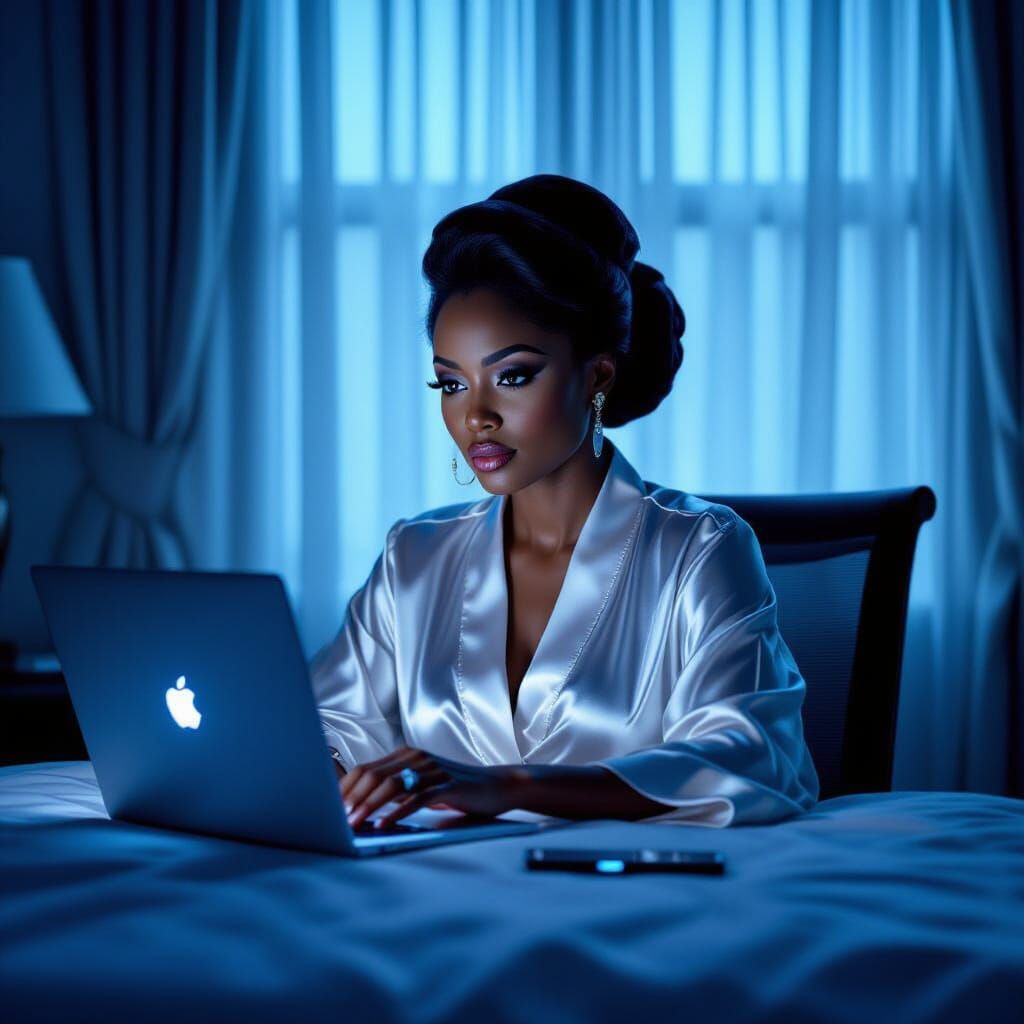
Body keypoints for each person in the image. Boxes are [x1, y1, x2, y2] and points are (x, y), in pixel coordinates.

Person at [309, 173, 820, 832]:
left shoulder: (701, 548)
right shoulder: (414, 556)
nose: (476, 417)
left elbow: (751, 757)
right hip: (431, 892)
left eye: (513, 376)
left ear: (598, 375)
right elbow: (326, 725)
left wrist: (507, 787)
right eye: (451, 383)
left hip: (630, 899)